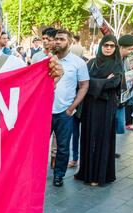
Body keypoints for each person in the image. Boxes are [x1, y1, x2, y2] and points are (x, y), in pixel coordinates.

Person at [74, 35, 124, 186]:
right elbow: (83, 83)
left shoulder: (117, 64)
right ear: (101, 46)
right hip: (90, 106)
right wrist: (103, 81)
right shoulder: (92, 63)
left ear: (115, 48)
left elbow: (114, 83)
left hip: (106, 107)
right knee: (88, 137)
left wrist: (94, 83)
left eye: (112, 46)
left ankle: (99, 175)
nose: (108, 48)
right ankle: (86, 172)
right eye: (106, 45)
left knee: (102, 138)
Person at [50, 29, 89, 187]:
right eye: (56, 39)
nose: (57, 41)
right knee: (37, 146)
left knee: (63, 147)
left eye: (62, 39)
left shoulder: (78, 63)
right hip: (43, 111)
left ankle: (58, 175)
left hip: (64, 112)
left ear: (70, 42)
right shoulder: (46, 59)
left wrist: (72, 107)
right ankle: (35, 174)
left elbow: (84, 85)